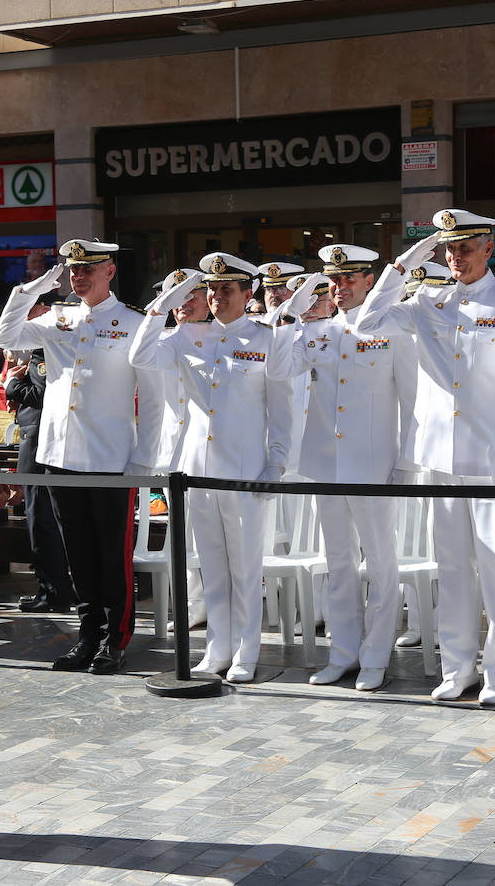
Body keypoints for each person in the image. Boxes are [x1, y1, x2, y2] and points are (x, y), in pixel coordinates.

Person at [355, 209, 495, 707]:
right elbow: (367, 323)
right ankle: (457, 667)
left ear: (488, 249)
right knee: (452, 569)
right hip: (440, 455)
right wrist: (399, 268)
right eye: (450, 249)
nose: (456, 257)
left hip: (493, 455)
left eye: (466, 247)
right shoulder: (426, 301)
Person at [0, 238, 161, 675]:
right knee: (78, 554)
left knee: (112, 556)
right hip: (60, 454)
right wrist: (29, 290)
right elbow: (4, 336)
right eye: (72, 270)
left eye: (88, 268)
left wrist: (143, 461)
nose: (78, 276)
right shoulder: (58, 316)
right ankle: (87, 636)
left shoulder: (134, 322)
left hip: (110, 459)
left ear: (110, 271)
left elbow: (153, 400)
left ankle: (116, 639)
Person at [130, 252, 292, 684]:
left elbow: (281, 410)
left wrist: (275, 465)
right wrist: (164, 303)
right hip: (197, 470)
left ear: (247, 292)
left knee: (245, 567)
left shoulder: (266, 338)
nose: (217, 297)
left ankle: (246, 651)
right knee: (211, 564)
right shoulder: (188, 336)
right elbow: (140, 356)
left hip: (245, 470)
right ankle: (217, 648)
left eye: (227, 289)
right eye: (212, 289)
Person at [266, 244, 415, 692]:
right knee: (339, 561)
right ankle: (343, 652)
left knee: (381, 563)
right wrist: (288, 315)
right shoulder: (319, 331)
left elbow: (412, 402)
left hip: (373, 464)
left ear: (370, 281)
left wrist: (406, 464)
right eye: (333, 280)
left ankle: (376, 656)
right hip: (326, 465)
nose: (340, 287)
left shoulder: (392, 330)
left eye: (350, 278)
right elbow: (278, 369)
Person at [2, 291, 75, 613]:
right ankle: (57, 588)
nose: (28, 317)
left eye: (31, 310)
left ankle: (53, 591)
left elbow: (43, 395)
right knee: (45, 519)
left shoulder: (45, 349)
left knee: (41, 520)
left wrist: (12, 387)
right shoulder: (48, 347)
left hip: (39, 442)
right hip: (43, 438)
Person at [152, 269, 209, 631]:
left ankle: (219, 602)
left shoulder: (221, 338)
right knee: (181, 534)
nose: (183, 305)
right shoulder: (162, 339)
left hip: (209, 447)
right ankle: (191, 605)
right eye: (176, 298)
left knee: (213, 534)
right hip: (173, 449)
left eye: (191, 296)